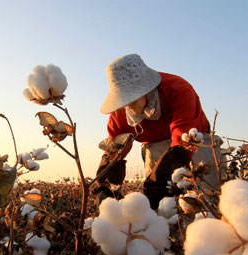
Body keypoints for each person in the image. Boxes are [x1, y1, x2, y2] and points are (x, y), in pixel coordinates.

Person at [93, 53, 221, 209]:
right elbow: (114, 151)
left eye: (134, 97)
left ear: (147, 88)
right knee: (161, 208)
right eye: (126, 100)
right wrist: (104, 186)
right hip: (155, 146)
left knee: (205, 196)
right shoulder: (120, 114)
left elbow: (183, 141)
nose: (130, 105)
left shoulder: (178, 89)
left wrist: (156, 184)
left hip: (195, 140)